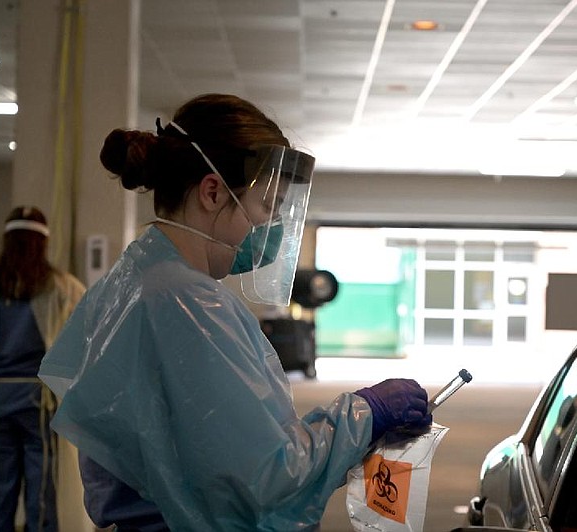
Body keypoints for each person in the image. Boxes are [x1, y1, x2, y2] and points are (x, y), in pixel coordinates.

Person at [38, 93, 432, 530]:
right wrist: (365, 413)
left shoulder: (133, 278)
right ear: (212, 192)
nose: (271, 228)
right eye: (267, 206)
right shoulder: (192, 305)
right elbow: (269, 479)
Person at [0, 206, 87, 532]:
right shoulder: (62, 287)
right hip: (40, 401)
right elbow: (87, 336)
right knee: (42, 492)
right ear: (44, 242)